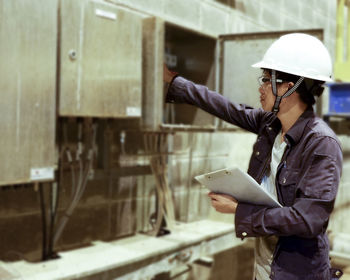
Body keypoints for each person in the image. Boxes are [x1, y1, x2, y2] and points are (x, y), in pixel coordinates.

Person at [163, 33, 343, 280]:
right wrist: (175, 83)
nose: (260, 87)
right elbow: (226, 108)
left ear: (288, 88)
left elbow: (307, 219)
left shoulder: (321, 144)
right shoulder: (270, 124)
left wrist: (239, 211)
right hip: (265, 268)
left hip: (297, 273)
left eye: (266, 79)